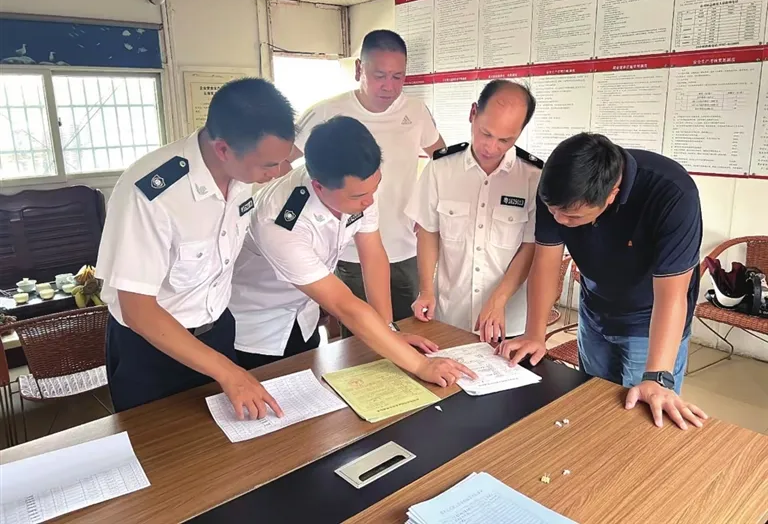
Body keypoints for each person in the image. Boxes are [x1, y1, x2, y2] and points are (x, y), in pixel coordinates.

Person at [229, 116, 475, 393]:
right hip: (259, 327)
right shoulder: (279, 222)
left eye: (375, 188)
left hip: (303, 316)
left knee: (313, 394)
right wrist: (421, 365)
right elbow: (343, 304)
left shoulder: (359, 184)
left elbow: (373, 256)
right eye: (359, 197)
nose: (369, 201)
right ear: (319, 187)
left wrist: (388, 330)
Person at [96, 78, 295, 418]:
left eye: (281, 161)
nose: (278, 173)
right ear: (223, 150)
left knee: (229, 441)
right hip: (152, 350)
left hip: (217, 334)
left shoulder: (242, 176)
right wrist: (228, 372)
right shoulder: (151, 193)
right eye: (268, 165)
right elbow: (137, 309)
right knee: (160, 447)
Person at [497, 133, 709, 430]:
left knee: (639, 419)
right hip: (595, 311)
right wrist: (535, 334)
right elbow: (546, 262)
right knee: (592, 406)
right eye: (553, 211)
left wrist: (657, 377)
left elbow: (672, 295)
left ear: (611, 195)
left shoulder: (672, 193)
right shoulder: (558, 188)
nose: (558, 220)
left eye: (571, 217)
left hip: (650, 323)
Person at [287, 29, 446, 335]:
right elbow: (282, 164)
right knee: (360, 338)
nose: (389, 86)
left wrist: (427, 209)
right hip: (350, 252)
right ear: (359, 69)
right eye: (380, 76)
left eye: (398, 77)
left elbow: (441, 160)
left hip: (404, 247)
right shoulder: (327, 112)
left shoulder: (415, 111)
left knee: (411, 332)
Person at [406, 80, 540, 343]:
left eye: (505, 140)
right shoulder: (441, 169)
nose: (491, 147)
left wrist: (498, 300)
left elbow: (530, 247)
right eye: (485, 133)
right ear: (473, 113)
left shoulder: (533, 177)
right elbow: (428, 232)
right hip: (449, 314)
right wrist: (426, 291)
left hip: (508, 321)